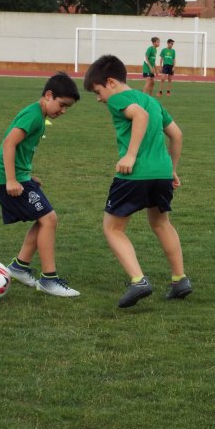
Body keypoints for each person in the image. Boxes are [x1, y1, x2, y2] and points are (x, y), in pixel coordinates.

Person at [83, 54, 192, 308]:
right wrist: (172, 169)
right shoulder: (152, 101)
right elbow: (176, 135)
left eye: (97, 91)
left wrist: (130, 155)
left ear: (110, 82)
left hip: (135, 174)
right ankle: (179, 279)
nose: (99, 98)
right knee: (161, 222)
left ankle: (138, 280)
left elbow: (139, 116)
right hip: (161, 173)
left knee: (113, 227)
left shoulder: (119, 99)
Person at [0, 72, 81, 297]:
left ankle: (19, 267)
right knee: (49, 219)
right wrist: (12, 179)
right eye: (61, 105)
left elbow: (20, 151)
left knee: (44, 221)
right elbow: (9, 143)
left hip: (20, 178)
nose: (63, 111)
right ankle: (49, 280)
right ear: (48, 96)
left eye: (67, 107)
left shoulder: (39, 117)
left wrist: (27, 176)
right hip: (7, 181)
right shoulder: (33, 115)